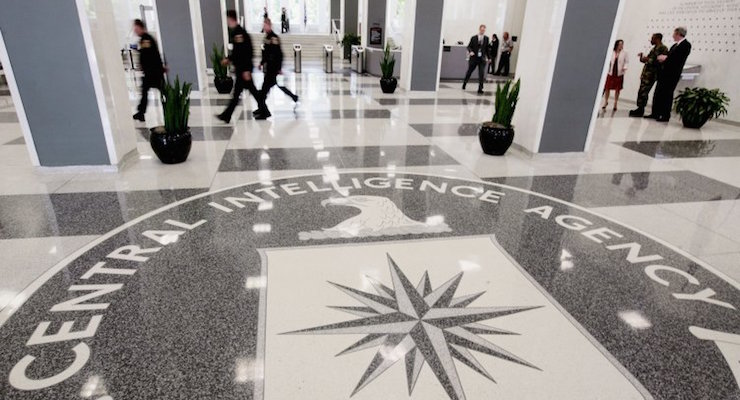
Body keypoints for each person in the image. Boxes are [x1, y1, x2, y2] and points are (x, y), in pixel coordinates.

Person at [217, 10, 263, 124]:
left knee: (239, 94)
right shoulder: (237, 32)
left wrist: (246, 70)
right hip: (242, 69)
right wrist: (229, 59)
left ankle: (226, 115)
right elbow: (238, 52)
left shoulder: (239, 33)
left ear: (231, 19)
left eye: (227, 19)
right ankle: (227, 115)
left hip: (243, 70)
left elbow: (245, 53)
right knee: (248, 92)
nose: (227, 22)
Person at [254, 18, 298, 119]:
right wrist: (261, 63)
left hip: (272, 69)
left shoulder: (274, 38)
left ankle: (263, 110)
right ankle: (294, 97)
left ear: (269, 25)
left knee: (264, 90)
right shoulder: (267, 37)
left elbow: (278, 54)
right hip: (269, 68)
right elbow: (265, 53)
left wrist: (278, 68)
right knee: (274, 87)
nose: (264, 27)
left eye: (265, 25)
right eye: (263, 25)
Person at [647, 27, 692, 122]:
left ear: (678, 34)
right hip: (664, 73)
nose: (673, 35)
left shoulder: (686, 45)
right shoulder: (674, 45)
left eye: (674, 33)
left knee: (667, 94)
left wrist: (665, 58)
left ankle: (665, 115)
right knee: (658, 93)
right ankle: (655, 113)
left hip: (672, 74)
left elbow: (677, 59)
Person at [132, 19, 165, 122]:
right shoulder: (145, 38)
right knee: (147, 91)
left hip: (152, 72)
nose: (135, 31)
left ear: (141, 28)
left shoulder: (146, 39)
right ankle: (141, 112)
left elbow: (148, 55)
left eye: (136, 28)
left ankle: (141, 112)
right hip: (152, 71)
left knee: (162, 91)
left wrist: (144, 65)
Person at [629, 33, 669, 117]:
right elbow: (648, 60)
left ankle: (641, 110)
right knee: (641, 91)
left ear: (658, 39)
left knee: (644, 92)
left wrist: (648, 59)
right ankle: (640, 108)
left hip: (652, 74)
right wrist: (642, 58)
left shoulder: (663, 48)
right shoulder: (654, 48)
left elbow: (660, 62)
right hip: (646, 74)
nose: (651, 40)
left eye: (653, 38)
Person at [602, 39, 628, 111]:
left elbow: (626, 62)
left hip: (619, 73)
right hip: (611, 72)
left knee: (617, 89)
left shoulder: (625, 53)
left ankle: (615, 103)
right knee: (607, 88)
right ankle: (605, 102)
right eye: (620, 44)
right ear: (616, 45)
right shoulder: (611, 52)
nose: (621, 46)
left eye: (622, 44)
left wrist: (625, 67)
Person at [462, 24, 490, 94]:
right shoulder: (473, 38)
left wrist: (489, 57)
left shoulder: (486, 38)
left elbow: (487, 49)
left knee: (481, 73)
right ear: (479, 29)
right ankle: (465, 83)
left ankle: (480, 88)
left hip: (482, 59)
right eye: (481, 30)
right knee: (469, 72)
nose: (482, 31)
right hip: (474, 58)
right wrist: (471, 51)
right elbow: (469, 46)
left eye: (484, 30)